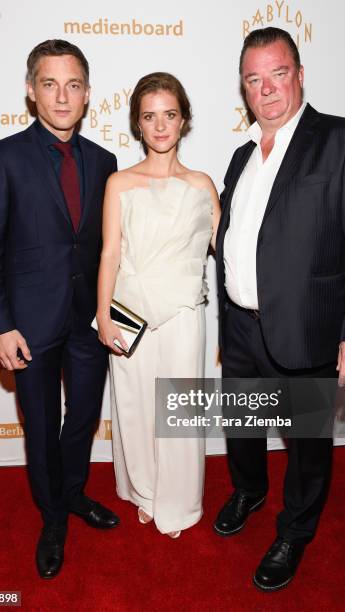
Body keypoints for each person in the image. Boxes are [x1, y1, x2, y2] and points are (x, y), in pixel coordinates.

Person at [214, 27, 345, 591]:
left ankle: (295, 530)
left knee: (307, 442)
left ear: (300, 75)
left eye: (278, 74)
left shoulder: (342, 139)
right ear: (243, 87)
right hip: (241, 324)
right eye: (253, 78)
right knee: (242, 423)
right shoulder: (241, 156)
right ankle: (248, 489)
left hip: (309, 325)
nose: (266, 90)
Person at [0, 39, 119, 579]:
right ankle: (53, 517)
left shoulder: (105, 162)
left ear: (87, 94)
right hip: (28, 325)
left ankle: (74, 493)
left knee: (81, 419)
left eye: (73, 84)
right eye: (50, 84)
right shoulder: (3, 156)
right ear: (32, 91)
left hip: (89, 320)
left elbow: (108, 246)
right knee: (41, 425)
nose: (62, 96)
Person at [96, 72, 220, 538]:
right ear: (138, 125)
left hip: (185, 314)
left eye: (169, 114)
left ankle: (180, 501)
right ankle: (145, 490)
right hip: (130, 312)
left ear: (183, 119)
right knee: (135, 403)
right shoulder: (119, 182)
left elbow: (227, 251)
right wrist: (104, 315)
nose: (161, 125)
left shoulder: (203, 184)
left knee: (181, 408)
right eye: (150, 117)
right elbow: (109, 253)